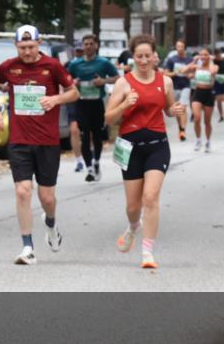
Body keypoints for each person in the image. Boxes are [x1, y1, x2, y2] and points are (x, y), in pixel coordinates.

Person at [0, 25, 77, 265]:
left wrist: (56, 98)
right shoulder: (8, 66)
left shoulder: (52, 66)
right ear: (16, 47)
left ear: (39, 44)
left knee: (47, 198)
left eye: (30, 47)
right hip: (19, 140)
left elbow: (73, 92)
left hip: (47, 141)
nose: (26, 52)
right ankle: (27, 247)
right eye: (22, 47)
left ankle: (51, 223)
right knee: (22, 191)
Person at [104, 35, 185, 269]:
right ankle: (133, 226)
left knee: (150, 197)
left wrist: (174, 109)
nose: (143, 60)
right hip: (129, 148)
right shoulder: (124, 83)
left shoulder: (165, 82)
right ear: (133, 57)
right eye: (138, 56)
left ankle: (147, 252)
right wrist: (125, 104)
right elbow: (109, 118)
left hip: (157, 146)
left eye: (147, 55)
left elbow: (169, 109)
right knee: (133, 207)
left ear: (154, 56)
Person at [67, 34, 120, 182]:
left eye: (91, 44)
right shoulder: (75, 64)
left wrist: (103, 81)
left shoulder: (103, 62)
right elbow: (66, 81)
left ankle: (96, 162)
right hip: (82, 103)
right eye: (85, 44)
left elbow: (117, 78)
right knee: (84, 135)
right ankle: (89, 168)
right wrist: (73, 83)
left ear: (96, 45)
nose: (88, 46)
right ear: (82, 46)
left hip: (97, 103)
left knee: (97, 135)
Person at [185, 47, 219, 152]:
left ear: (209, 56)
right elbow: (184, 70)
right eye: (201, 55)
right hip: (197, 93)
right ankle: (198, 140)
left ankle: (208, 142)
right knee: (197, 118)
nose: (203, 57)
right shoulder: (196, 66)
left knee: (207, 121)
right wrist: (194, 61)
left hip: (209, 94)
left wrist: (211, 61)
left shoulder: (214, 66)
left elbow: (213, 72)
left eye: (206, 55)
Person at [163, 40, 192, 142]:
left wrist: (190, 75)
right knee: (177, 109)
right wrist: (176, 72)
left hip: (186, 86)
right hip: (174, 87)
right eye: (178, 46)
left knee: (183, 107)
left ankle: (183, 130)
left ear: (185, 48)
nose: (179, 48)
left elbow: (193, 73)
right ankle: (180, 128)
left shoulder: (189, 60)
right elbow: (166, 74)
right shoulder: (172, 60)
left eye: (181, 46)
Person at [66, 44, 85, 172]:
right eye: (77, 51)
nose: (79, 53)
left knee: (89, 131)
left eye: (81, 51)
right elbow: (63, 82)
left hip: (88, 99)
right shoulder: (69, 65)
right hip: (73, 100)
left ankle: (91, 156)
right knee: (74, 130)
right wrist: (72, 83)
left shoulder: (92, 63)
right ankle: (79, 161)